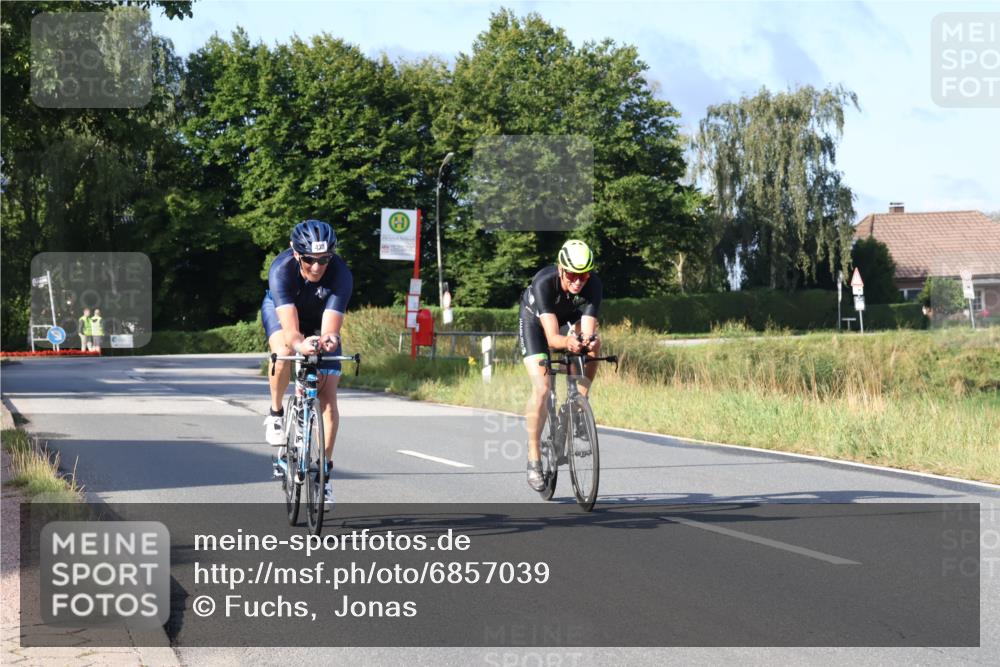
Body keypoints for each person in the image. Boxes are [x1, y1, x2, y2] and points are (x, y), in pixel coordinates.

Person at [261, 219, 353, 504]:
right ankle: (276, 413)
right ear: (295, 252)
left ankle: (322, 473)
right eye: (309, 259)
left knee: (327, 397)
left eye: (324, 259)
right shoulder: (281, 269)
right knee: (285, 349)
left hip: (319, 317)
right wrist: (301, 344)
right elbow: (292, 332)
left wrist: (328, 340)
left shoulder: (341, 274)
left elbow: (330, 328)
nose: (316, 266)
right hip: (284, 313)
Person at [517, 239, 603, 491]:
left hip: (569, 319)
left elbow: (587, 331)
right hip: (536, 322)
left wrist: (584, 343)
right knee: (542, 389)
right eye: (573, 274)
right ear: (561, 269)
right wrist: (568, 342)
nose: (579, 280)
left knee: (594, 344)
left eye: (584, 275)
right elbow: (554, 339)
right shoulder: (544, 283)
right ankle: (534, 458)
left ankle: (578, 404)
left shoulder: (593, 285)